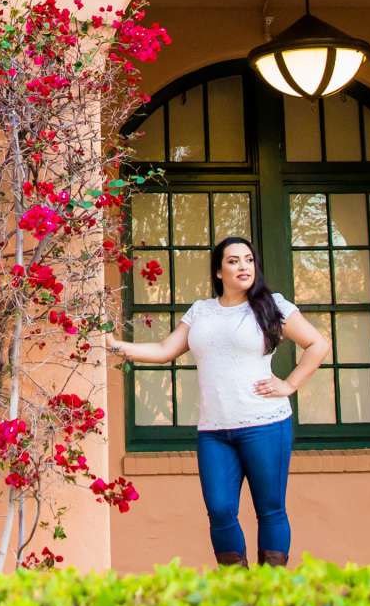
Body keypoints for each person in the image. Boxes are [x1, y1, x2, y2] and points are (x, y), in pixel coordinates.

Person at [106, 234, 331, 567]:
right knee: (220, 510)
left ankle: (271, 592)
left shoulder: (273, 305)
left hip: (265, 424)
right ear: (218, 272)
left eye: (249, 260)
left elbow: (317, 344)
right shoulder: (201, 312)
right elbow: (165, 350)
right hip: (214, 431)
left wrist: (290, 384)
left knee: (270, 508)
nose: (243, 266)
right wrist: (114, 345)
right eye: (233, 261)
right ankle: (236, 591)